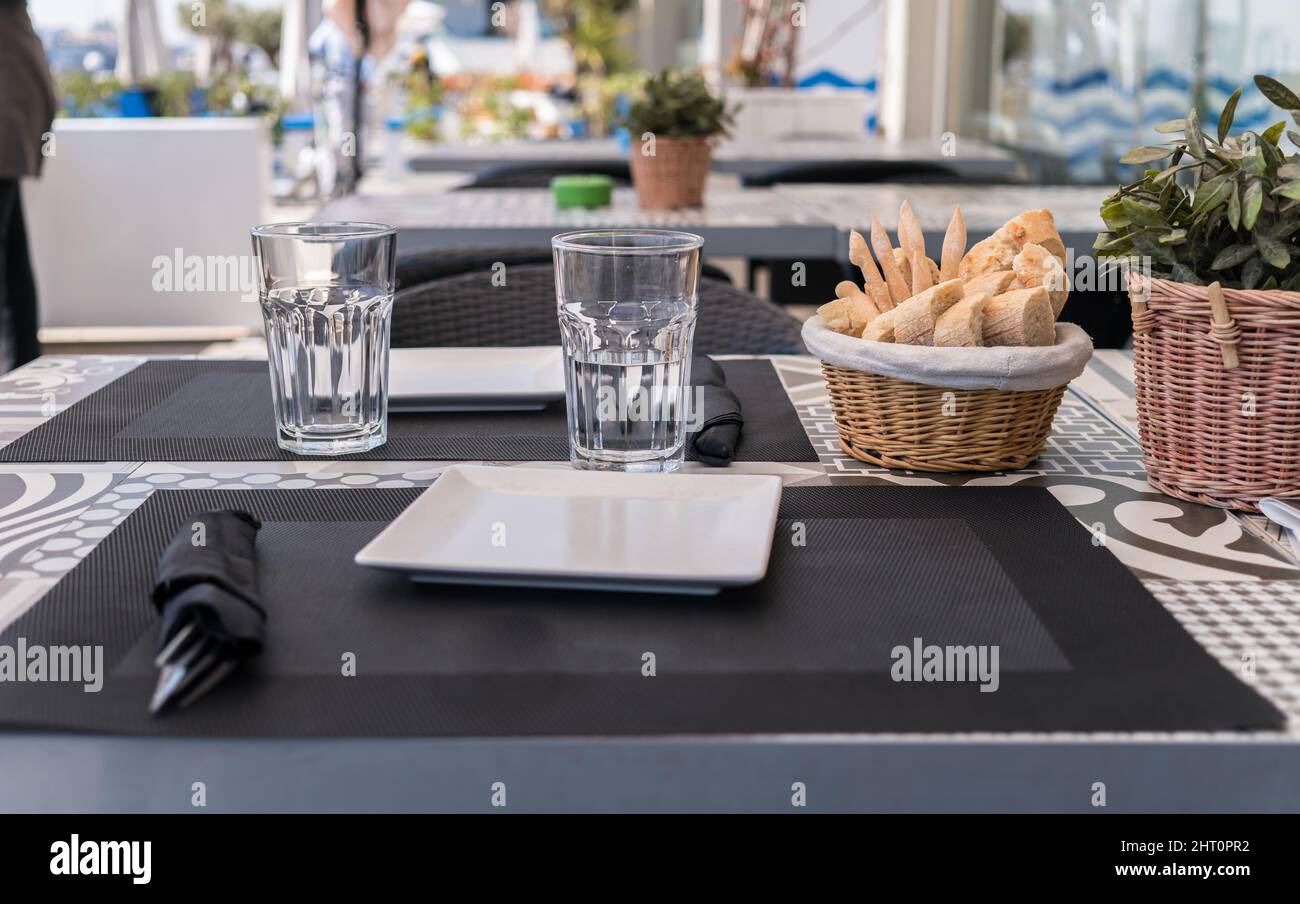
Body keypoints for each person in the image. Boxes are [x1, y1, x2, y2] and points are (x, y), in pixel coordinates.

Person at [0, 0, 58, 371]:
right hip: (17, 107)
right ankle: (25, 365)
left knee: (9, 253)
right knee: (12, 252)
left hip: (10, 109)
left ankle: (23, 365)